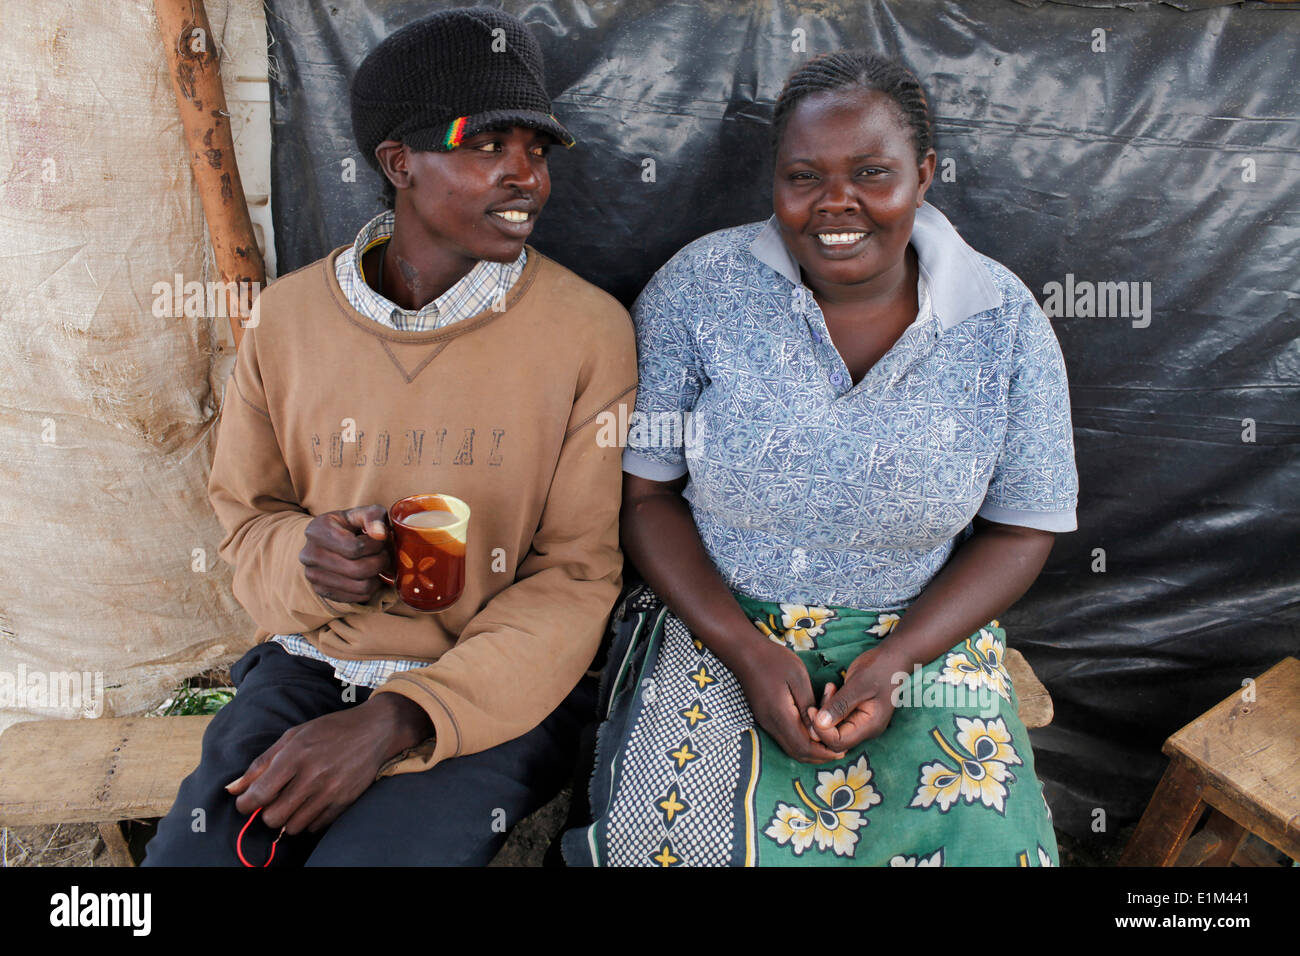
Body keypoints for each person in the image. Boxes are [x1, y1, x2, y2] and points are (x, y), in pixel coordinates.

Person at [143, 7, 635, 866]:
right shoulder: (289, 320)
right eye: (486, 146)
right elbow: (247, 519)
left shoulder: (587, 333)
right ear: (399, 163)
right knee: (199, 859)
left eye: (536, 149)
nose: (525, 176)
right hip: (307, 666)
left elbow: (576, 575)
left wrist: (396, 721)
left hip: (491, 691)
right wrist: (307, 555)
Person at [563, 51, 1077, 867]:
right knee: (668, 845)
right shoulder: (700, 289)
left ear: (925, 174)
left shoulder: (1003, 321)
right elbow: (647, 500)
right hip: (717, 621)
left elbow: (1024, 528)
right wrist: (747, 651)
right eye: (805, 176)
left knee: (985, 837)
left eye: (873, 172)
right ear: (775, 181)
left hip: (923, 633)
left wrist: (897, 659)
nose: (837, 204)